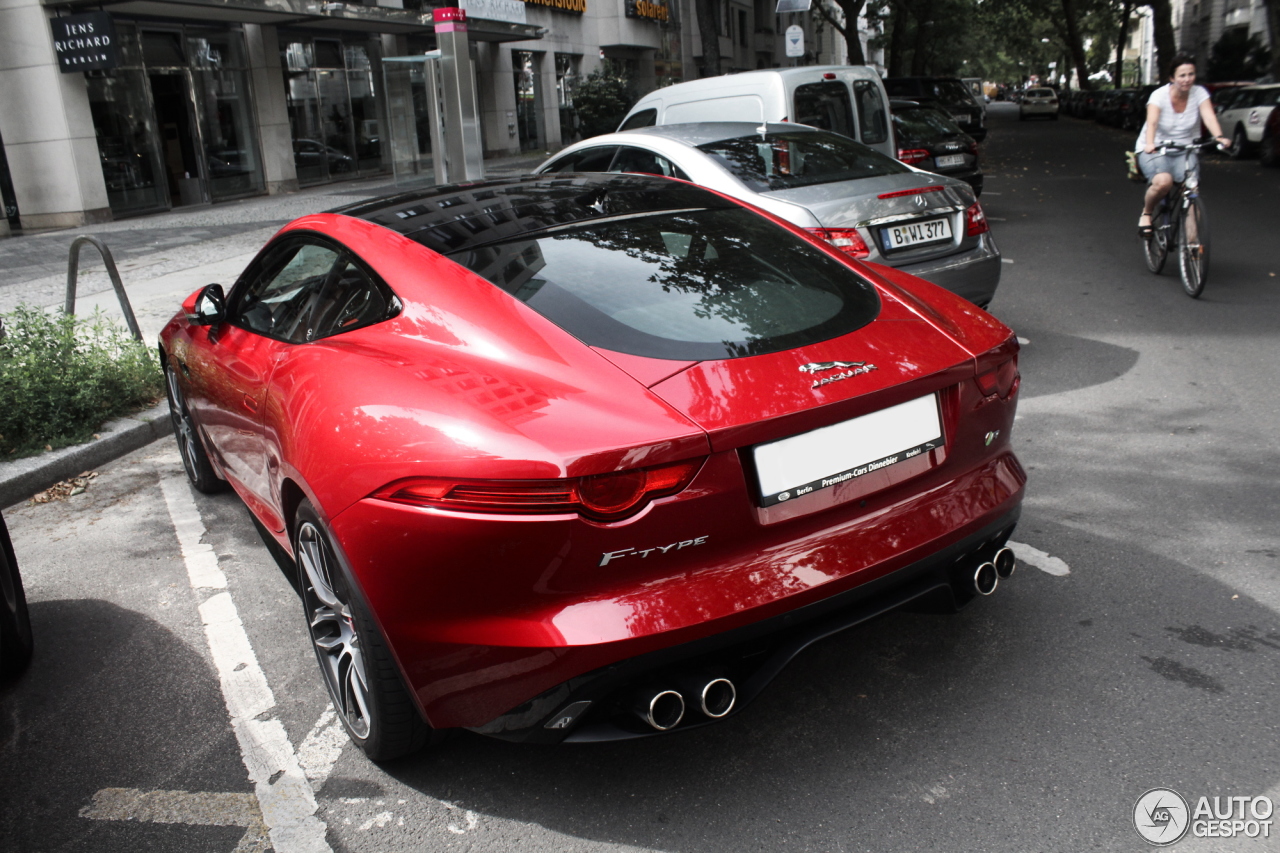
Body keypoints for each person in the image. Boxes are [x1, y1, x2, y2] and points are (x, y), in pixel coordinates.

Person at [1136, 54, 1230, 235]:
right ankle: (1146, 213)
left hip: (1184, 149)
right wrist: (1149, 143)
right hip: (1156, 148)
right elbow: (1152, 122)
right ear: (1172, 78)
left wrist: (1218, 136)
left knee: (1191, 192)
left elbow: (1209, 116)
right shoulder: (1159, 96)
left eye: (1191, 74)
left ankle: (1192, 246)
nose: (1187, 80)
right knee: (1163, 183)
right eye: (1182, 75)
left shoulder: (1199, 93)